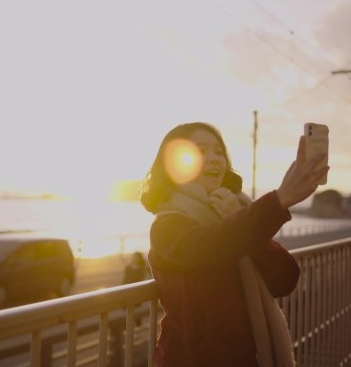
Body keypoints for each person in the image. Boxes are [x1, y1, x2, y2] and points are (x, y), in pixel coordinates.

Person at [140, 122, 328, 367]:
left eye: (219, 152)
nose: (214, 159)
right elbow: (208, 246)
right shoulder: (167, 225)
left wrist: (241, 216)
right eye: (200, 150)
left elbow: (285, 278)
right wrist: (277, 201)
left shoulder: (238, 216)